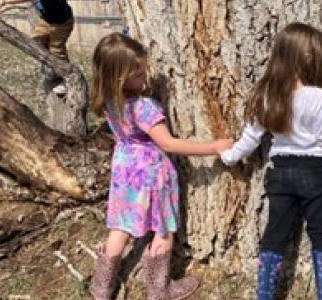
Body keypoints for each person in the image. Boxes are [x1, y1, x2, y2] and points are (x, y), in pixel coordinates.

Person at [220, 22, 322, 300]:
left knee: (275, 232)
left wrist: (229, 156)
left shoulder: (267, 93)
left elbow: (250, 139)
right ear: (309, 57)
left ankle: (265, 294)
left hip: (281, 171)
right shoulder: (318, 96)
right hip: (315, 172)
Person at [88, 33, 233, 300]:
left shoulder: (109, 102)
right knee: (163, 227)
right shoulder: (144, 108)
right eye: (139, 74)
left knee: (120, 226)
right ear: (120, 78)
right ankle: (160, 289)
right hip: (152, 172)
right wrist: (213, 147)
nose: (145, 78)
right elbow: (169, 143)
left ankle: (101, 286)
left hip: (124, 170)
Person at [0, 0, 74, 95]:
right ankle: (49, 65)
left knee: (57, 50)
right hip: (46, 21)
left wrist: (5, 2)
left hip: (61, 25)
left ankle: (63, 79)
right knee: (36, 40)